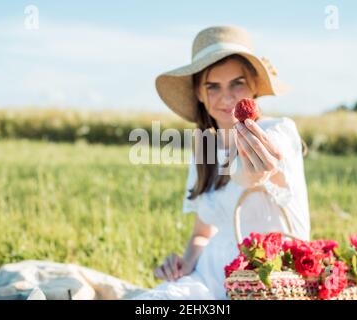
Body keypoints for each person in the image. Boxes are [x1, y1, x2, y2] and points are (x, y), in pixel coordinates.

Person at [131, 25, 310, 300]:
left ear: (253, 87)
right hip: (210, 275)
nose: (227, 97)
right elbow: (202, 234)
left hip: (269, 281)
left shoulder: (278, 131)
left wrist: (251, 171)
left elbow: (255, 171)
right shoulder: (205, 150)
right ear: (199, 94)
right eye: (213, 86)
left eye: (237, 83)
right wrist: (183, 263)